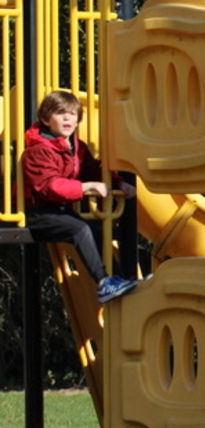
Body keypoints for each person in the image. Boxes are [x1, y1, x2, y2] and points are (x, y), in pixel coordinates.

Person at [21, 90, 137, 304]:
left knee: (97, 232)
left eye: (73, 114)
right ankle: (103, 283)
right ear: (46, 119)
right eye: (60, 113)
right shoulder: (37, 151)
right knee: (80, 229)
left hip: (60, 210)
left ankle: (119, 279)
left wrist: (118, 182)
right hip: (37, 212)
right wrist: (86, 187)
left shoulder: (76, 147)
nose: (67, 118)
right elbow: (50, 186)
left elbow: (92, 169)